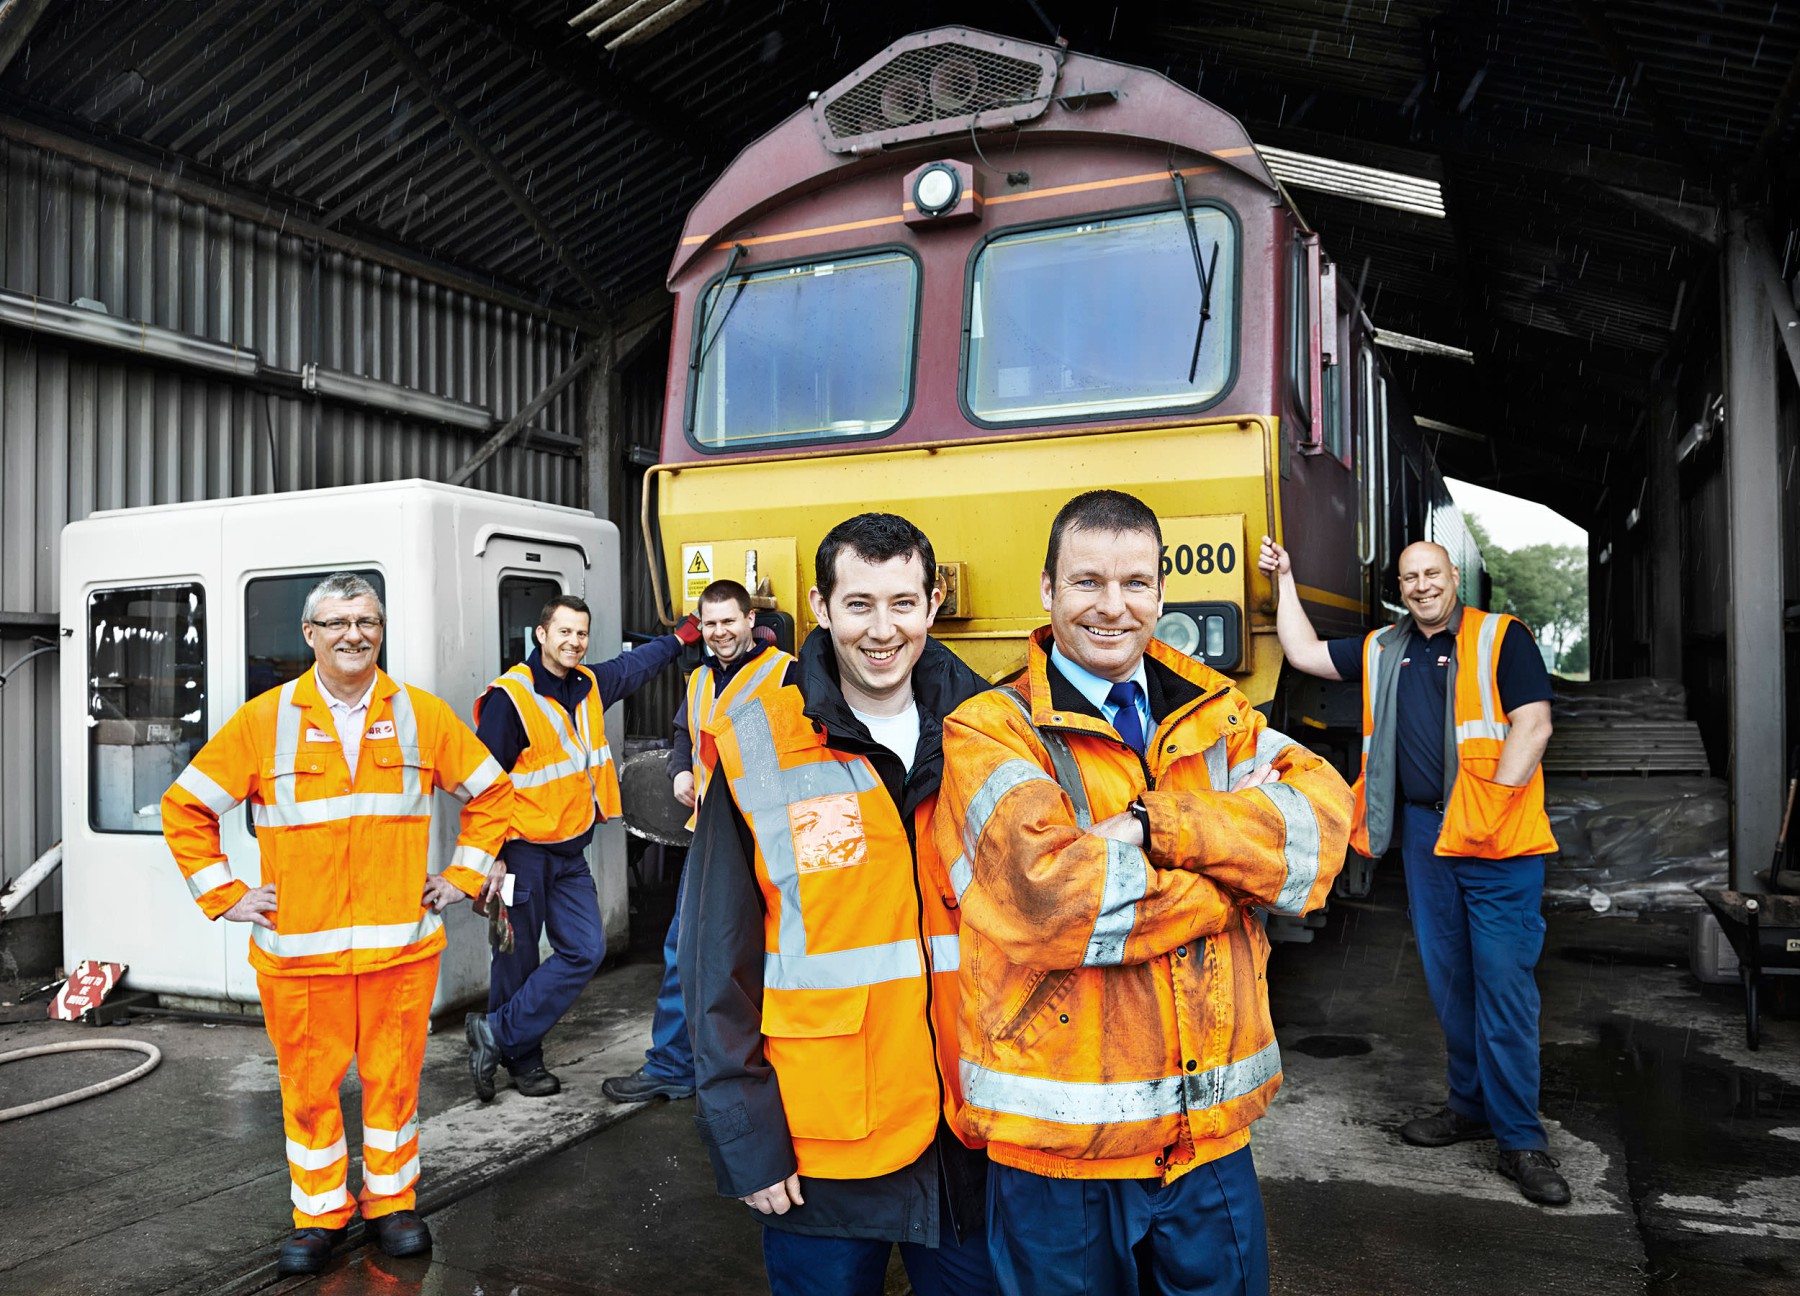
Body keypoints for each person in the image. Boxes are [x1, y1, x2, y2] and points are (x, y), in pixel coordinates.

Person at [938, 490, 1353, 1296]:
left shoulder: (1217, 712)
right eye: (1087, 582)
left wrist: (1150, 826)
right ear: (1047, 591)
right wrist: (1237, 879)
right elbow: (1054, 903)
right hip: (1060, 1147)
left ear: (1162, 594)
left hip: (1208, 1141)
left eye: (1135, 584)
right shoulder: (989, 731)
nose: (1112, 607)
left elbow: (1322, 834)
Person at [680, 514, 997, 1296]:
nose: (881, 630)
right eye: (859, 605)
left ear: (933, 605)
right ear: (820, 608)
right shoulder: (756, 740)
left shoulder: (990, 730)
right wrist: (746, 1138)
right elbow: (716, 959)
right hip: (821, 1148)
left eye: (902, 603)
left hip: (974, 1133)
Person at [161, 572, 513, 1277]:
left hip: (398, 954)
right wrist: (225, 893)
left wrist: (465, 875)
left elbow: (493, 791)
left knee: (393, 1086)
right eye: (338, 622)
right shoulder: (266, 720)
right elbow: (186, 807)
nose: (355, 634)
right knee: (309, 1090)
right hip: (300, 958)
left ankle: (392, 1205)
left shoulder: (420, 714)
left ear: (381, 631)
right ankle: (319, 1215)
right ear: (310, 635)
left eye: (367, 621)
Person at [1257, 534, 1567, 1206]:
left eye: (1432, 573)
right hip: (1429, 834)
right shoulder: (1382, 649)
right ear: (1399, 589)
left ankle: (1521, 1140)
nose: (1422, 585)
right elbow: (1305, 653)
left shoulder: (1499, 637)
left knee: (1503, 988)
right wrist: (1286, 579)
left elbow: (1534, 725)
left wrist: (1487, 809)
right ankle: (1470, 1105)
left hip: (1498, 838)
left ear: (1454, 576)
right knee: (1451, 981)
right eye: (1410, 578)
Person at [464, 595, 699, 1100]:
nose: (574, 642)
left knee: (585, 949)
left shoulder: (590, 684)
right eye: (564, 632)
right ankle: (523, 1062)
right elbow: (482, 785)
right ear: (541, 635)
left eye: (582, 634)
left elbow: (634, 665)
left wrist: (680, 639)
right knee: (515, 958)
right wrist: (493, 855)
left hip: (569, 853)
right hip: (521, 851)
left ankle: (496, 1033)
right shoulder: (512, 699)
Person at [602, 579, 793, 1106]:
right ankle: (673, 1065)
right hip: (713, 839)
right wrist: (678, 769)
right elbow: (685, 734)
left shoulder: (786, 675)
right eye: (709, 624)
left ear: (751, 621)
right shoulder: (700, 679)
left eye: (729, 621)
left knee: (777, 956)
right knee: (685, 953)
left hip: (774, 839)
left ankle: (773, 1063)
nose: (719, 632)